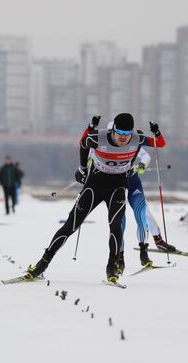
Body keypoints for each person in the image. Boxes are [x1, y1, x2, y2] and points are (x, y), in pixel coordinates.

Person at [26, 113, 166, 283]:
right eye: (119, 132)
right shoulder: (99, 137)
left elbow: (160, 144)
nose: (123, 137)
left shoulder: (138, 138)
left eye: (127, 133)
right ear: (113, 129)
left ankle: (112, 266)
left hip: (118, 185)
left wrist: (156, 132)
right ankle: (43, 263)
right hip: (95, 184)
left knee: (115, 226)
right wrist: (82, 168)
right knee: (71, 226)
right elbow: (83, 143)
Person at [116, 147, 177, 273]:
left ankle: (149, 247)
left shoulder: (132, 142)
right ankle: (119, 256)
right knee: (119, 221)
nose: (124, 137)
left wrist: (142, 165)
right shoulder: (107, 143)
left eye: (127, 133)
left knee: (144, 214)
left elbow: (146, 156)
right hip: (117, 185)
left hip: (133, 183)